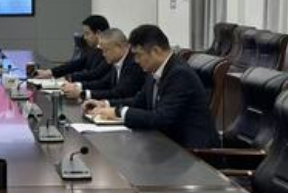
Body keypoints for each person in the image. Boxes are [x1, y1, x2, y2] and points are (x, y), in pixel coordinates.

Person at [86, 24, 220, 148]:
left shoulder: (179, 74)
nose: (136, 61)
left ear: (156, 51)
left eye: (138, 55)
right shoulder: (154, 71)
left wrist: (118, 112)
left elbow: (161, 118)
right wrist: (105, 104)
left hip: (192, 152)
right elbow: (139, 101)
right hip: (166, 143)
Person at [64, 28, 144, 102]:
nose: (103, 54)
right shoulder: (117, 60)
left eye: (106, 50)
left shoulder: (134, 63)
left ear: (118, 47)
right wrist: (77, 86)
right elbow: (104, 83)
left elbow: (119, 93)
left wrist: (84, 94)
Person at [35, 15, 111, 82]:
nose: (84, 38)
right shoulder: (95, 50)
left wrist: (67, 78)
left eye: (87, 33)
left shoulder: (109, 53)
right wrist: (50, 72)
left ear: (98, 33)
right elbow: (76, 64)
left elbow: (94, 75)